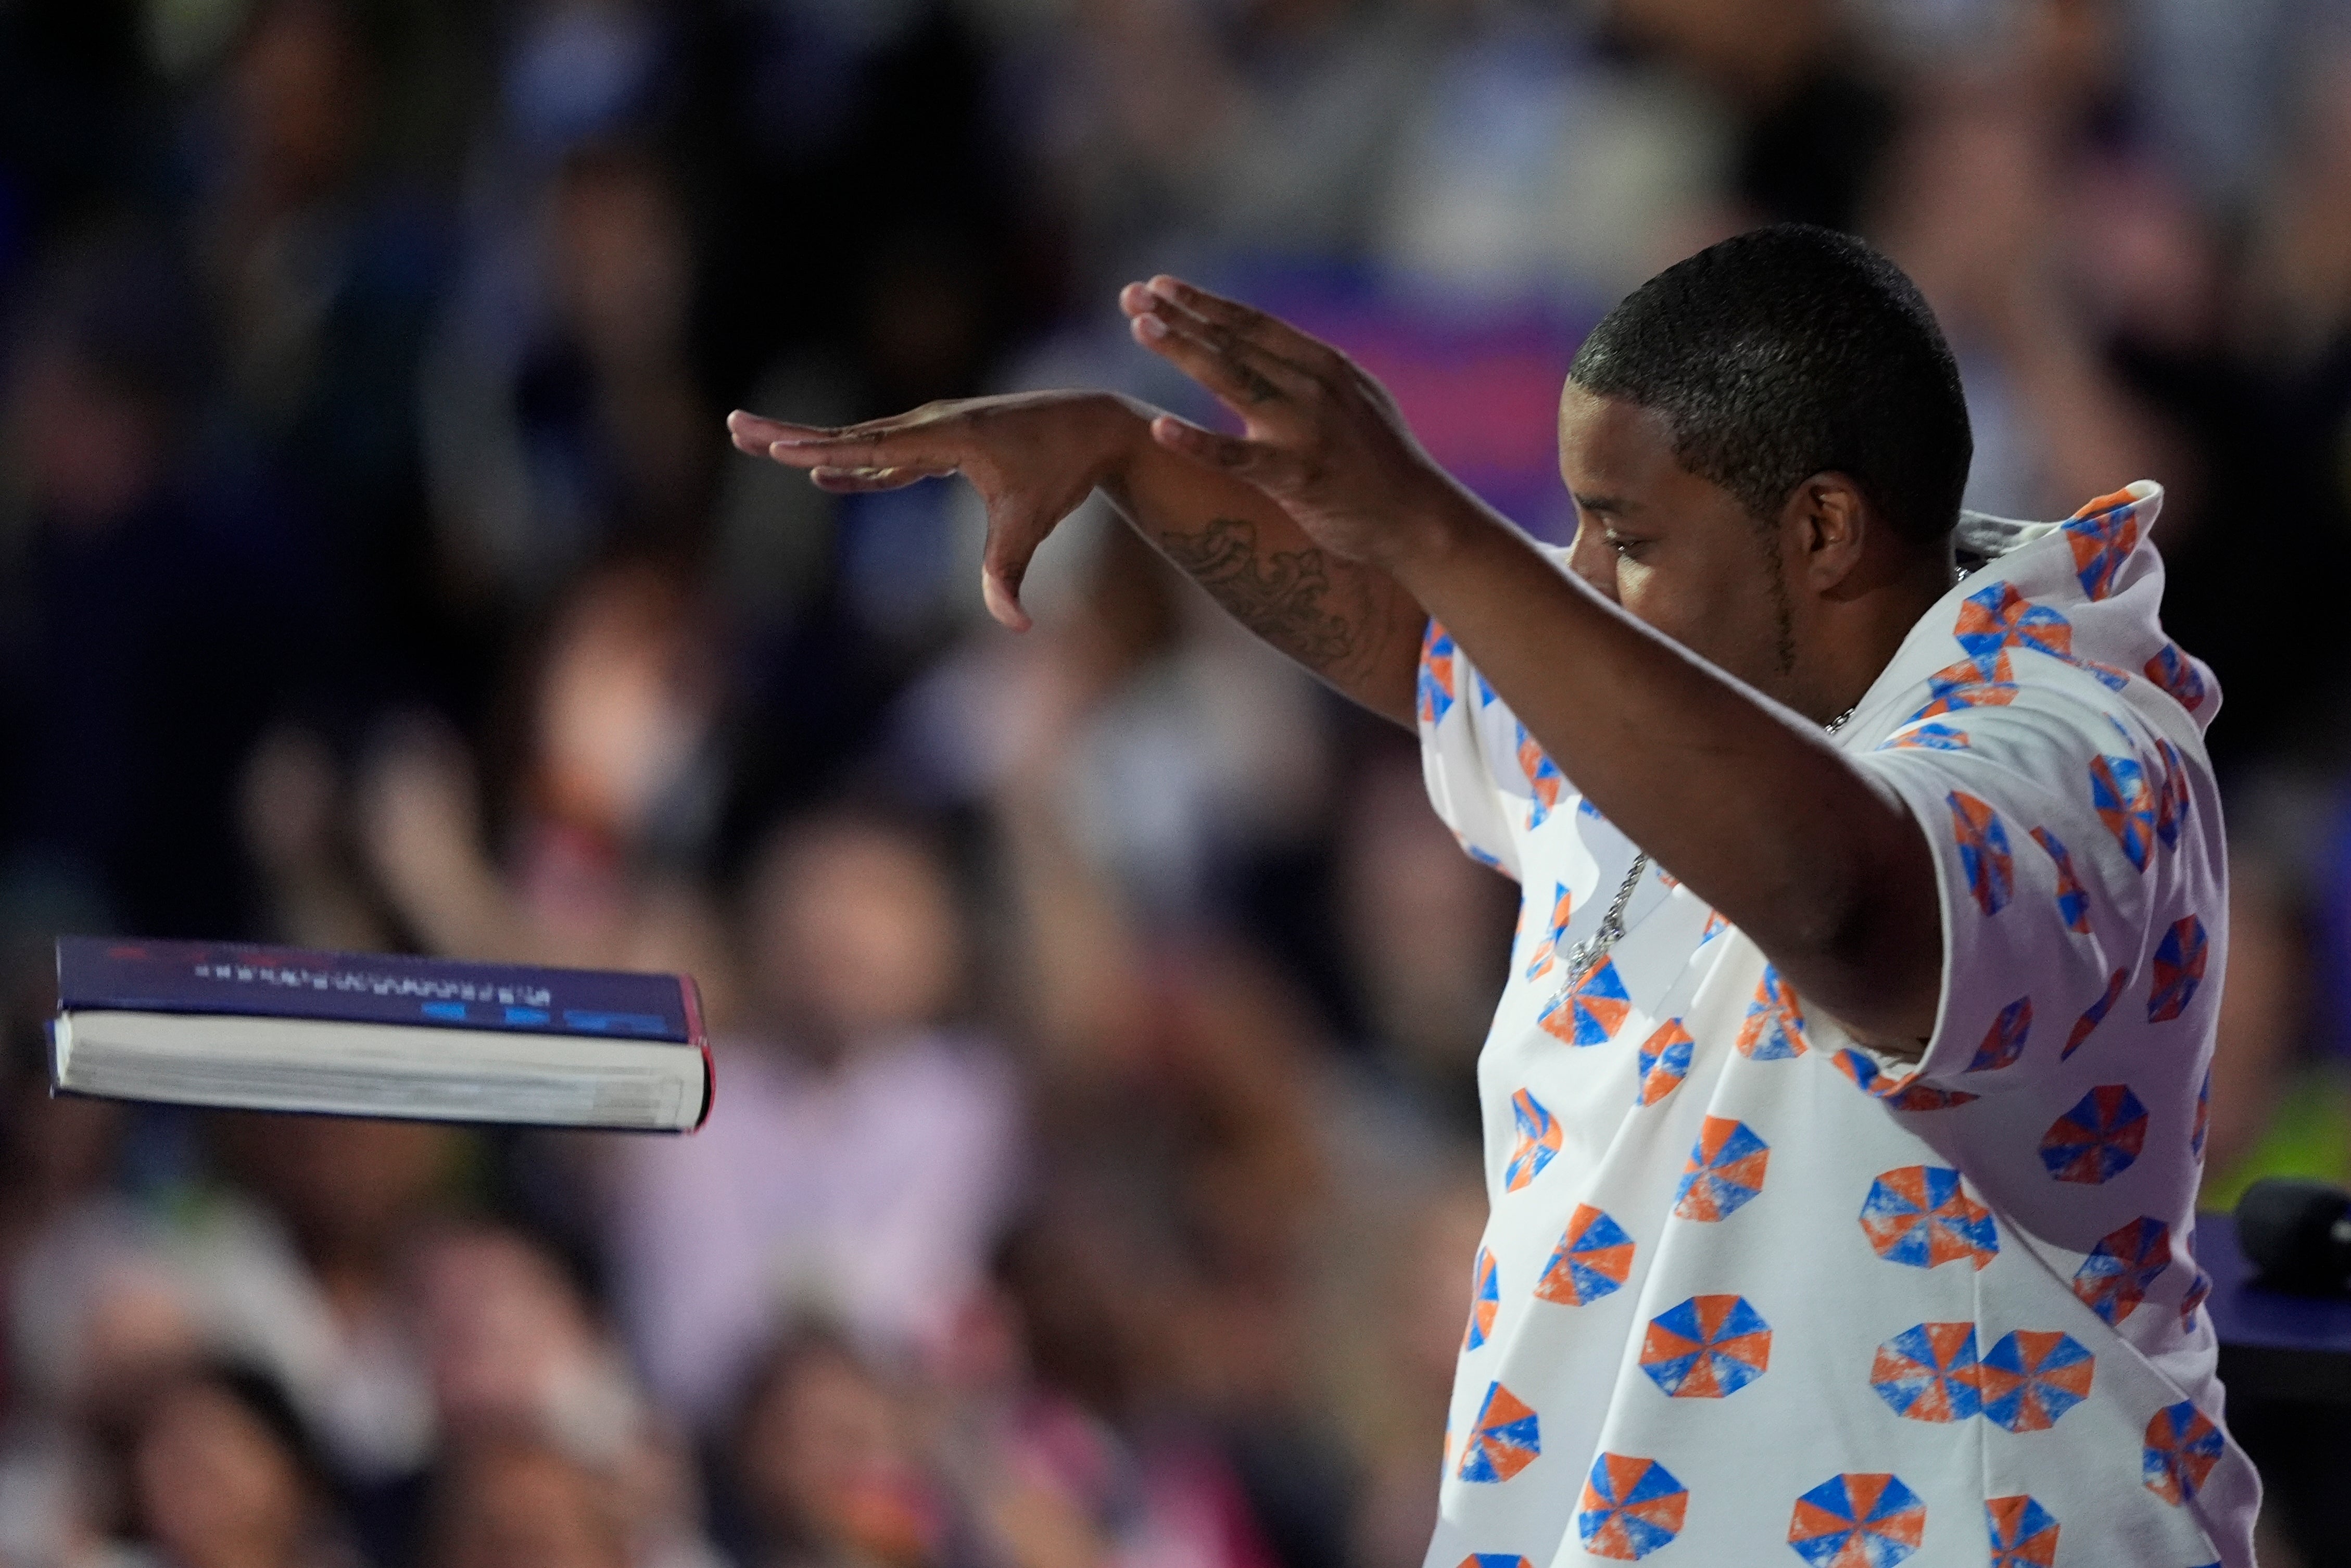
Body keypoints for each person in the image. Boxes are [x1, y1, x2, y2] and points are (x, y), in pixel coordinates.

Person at [728, 225, 2252, 1564]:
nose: (1578, 580)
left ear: (1822, 531)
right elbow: (1420, 639)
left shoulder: (2076, 748)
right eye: (1572, 529)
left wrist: (1428, 518)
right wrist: (1131, 458)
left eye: (1628, 539)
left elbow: (1843, 902)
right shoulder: (1687, 678)